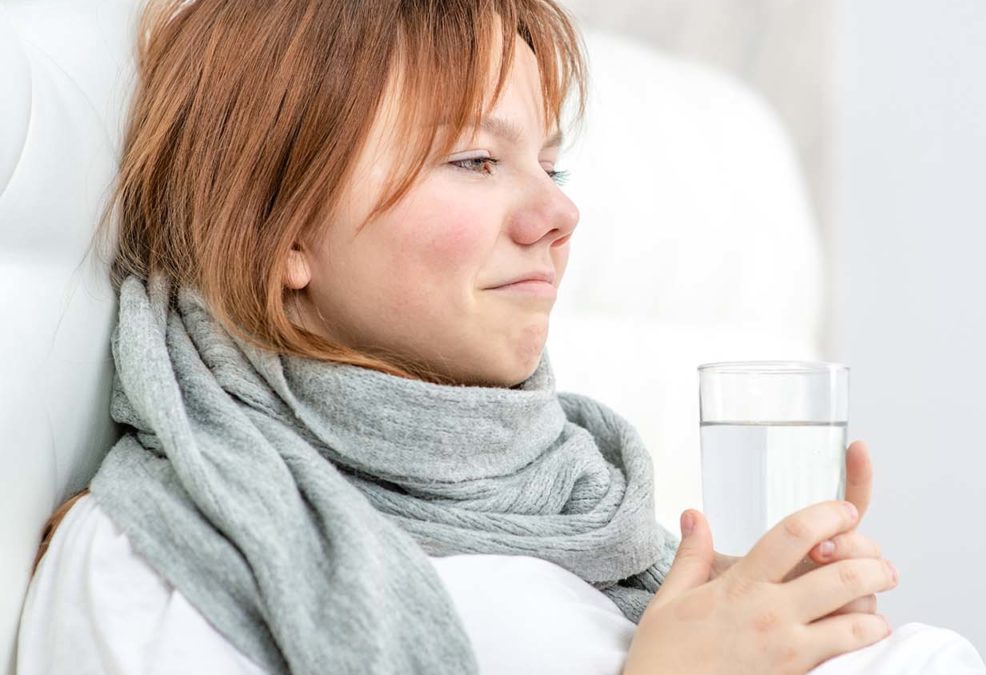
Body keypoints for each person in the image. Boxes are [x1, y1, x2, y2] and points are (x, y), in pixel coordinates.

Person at [15, 0, 939, 673]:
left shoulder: (584, 517)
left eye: (550, 161)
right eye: (475, 159)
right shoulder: (167, 564)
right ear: (279, 228)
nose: (559, 210)